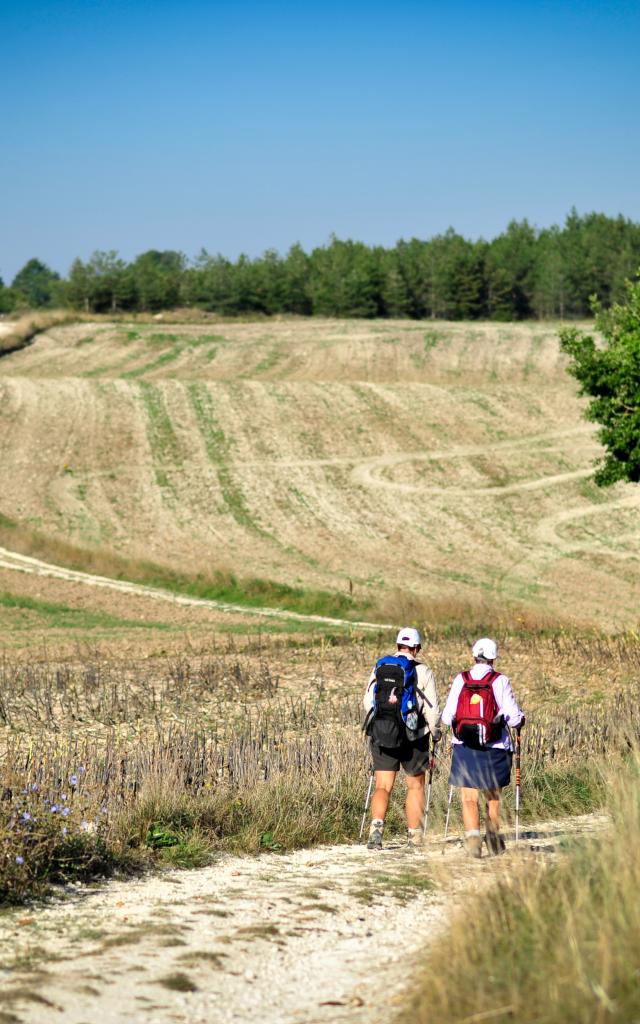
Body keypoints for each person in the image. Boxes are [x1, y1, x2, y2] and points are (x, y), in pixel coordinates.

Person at [441, 637, 524, 858]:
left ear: (473, 656)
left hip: (464, 746)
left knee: (468, 797)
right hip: (494, 747)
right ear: (493, 658)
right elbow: (514, 719)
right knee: (493, 796)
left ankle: (473, 842)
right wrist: (520, 719)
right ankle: (494, 840)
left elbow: (447, 717)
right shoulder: (500, 680)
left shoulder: (461, 679)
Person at [362, 627, 441, 850]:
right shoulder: (423, 671)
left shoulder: (380, 666)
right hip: (414, 736)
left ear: (397, 645)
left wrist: (378, 725)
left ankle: (375, 834)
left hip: (383, 732)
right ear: (417, 648)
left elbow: (368, 701)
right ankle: (414, 837)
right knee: (415, 786)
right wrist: (435, 733)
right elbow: (432, 710)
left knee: (383, 786)